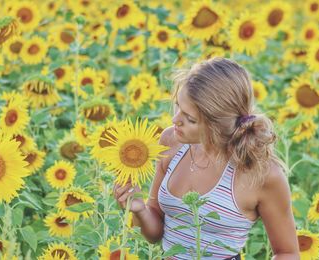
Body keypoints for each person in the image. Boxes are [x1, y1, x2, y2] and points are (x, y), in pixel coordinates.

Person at [113, 57, 300, 259]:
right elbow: (155, 232)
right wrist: (139, 210)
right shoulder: (171, 141)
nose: (175, 120)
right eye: (178, 106)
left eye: (190, 119)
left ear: (217, 125)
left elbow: (287, 253)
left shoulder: (261, 172)